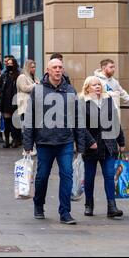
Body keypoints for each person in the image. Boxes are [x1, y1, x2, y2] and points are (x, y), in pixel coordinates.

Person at [23, 58, 85, 225]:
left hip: (65, 141)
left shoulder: (70, 90)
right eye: (54, 67)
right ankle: (38, 204)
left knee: (67, 175)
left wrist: (81, 144)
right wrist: (28, 144)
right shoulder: (38, 90)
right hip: (44, 141)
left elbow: (78, 118)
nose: (58, 70)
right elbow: (30, 118)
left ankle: (65, 212)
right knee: (42, 176)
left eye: (60, 67)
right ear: (48, 70)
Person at [79, 76, 125, 218]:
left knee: (110, 176)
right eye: (94, 85)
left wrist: (121, 142)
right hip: (91, 146)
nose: (98, 87)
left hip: (108, 144)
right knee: (89, 178)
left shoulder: (108, 100)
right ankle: (89, 205)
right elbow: (80, 126)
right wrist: (89, 141)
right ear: (87, 88)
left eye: (99, 84)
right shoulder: (82, 103)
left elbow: (115, 122)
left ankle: (112, 207)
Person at [0, 57, 21, 148]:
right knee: (7, 123)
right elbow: (0, 89)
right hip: (5, 102)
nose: (9, 65)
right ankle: (7, 141)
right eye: (8, 64)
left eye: (11, 64)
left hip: (15, 102)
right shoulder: (4, 75)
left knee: (15, 124)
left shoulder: (19, 75)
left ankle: (16, 140)